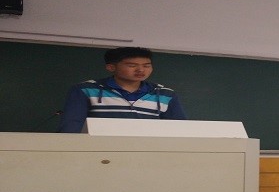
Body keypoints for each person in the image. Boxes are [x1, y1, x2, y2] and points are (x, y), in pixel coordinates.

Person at [58, 47, 186, 133]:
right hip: (99, 151)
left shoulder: (165, 94)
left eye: (146, 66)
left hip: (148, 151)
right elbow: (71, 126)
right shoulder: (86, 90)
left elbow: (179, 129)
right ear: (111, 67)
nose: (141, 70)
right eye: (132, 65)